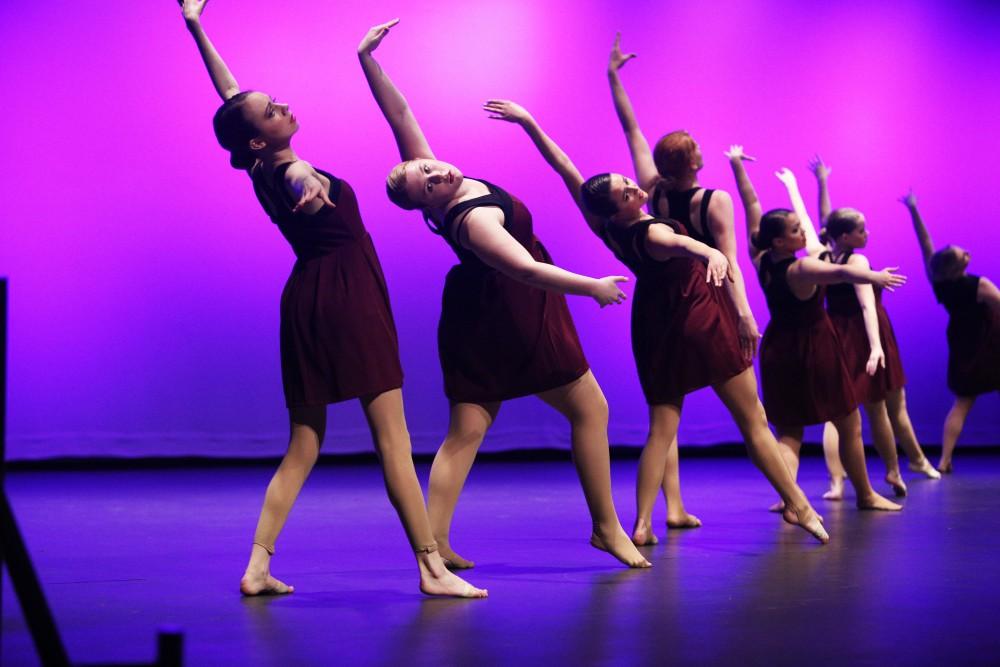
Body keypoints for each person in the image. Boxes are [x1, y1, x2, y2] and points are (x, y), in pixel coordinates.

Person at [179, 1, 485, 598]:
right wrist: (311, 186)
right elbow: (300, 178)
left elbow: (231, 94)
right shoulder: (289, 172)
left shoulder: (258, 165)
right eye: (272, 112)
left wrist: (196, 26)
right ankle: (430, 568)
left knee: (304, 443)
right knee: (393, 440)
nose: (284, 108)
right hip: (347, 299)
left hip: (307, 300)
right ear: (256, 138)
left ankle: (257, 567)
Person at [358, 19, 650, 568]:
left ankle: (438, 543)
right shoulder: (473, 222)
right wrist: (591, 287)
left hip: (481, 312)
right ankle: (607, 529)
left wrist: (367, 60)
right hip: (511, 311)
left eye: (428, 166)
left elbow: (400, 116)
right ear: (428, 203)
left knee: (469, 429)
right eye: (429, 182)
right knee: (588, 409)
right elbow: (528, 272)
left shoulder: (440, 181)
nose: (437, 170)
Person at [484, 98, 829, 544]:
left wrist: (530, 122)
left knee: (663, 425)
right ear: (618, 208)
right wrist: (717, 269)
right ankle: (799, 506)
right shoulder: (652, 230)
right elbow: (686, 246)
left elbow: (565, 167)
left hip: (654, 320)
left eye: (629, 182)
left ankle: (644, 524)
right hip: (698, 313)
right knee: (753, 419)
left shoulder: (604, 223)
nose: (634, 187)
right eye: (626, 193)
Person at [603, 34, 763, 527]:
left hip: (660, 303)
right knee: (747, 413)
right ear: (696, 161)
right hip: (704, 302)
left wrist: (612, 77)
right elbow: (728, 261)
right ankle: (792, 501)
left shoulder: (652, 191)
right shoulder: (713, 200)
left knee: (665, 414)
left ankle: (656, 516)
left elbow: (631, 129)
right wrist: (744, 315)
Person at [728, 158, 904, 511]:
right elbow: (839, 273)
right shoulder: (802, 267)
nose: (804, 232)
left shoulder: (760, 255)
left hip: (780, 347)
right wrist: (875, 276)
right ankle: (867, 496)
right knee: (848, 424)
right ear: (780, 240)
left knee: (790, 433)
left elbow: (751, 204)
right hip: (814, 347)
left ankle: (788, 497)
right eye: (796, 230)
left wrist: (737, 167)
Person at [805, 157, 939, 500]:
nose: (868, 234)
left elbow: (824, 220)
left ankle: (857, 476)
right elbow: (867, 304)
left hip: (840, 335)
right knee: (883, 407)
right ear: (847, 236)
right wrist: (876, 346)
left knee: (854, 410)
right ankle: (896, 468)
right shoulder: (857, 260)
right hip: (866, 334)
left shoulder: (822, 254)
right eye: (862, 229)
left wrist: (820, 183)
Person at [901, 190, 1000, 472]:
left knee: (962, 402)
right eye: (963, 254)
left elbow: (925, 244)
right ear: (959, 266)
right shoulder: (979, 285)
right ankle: (944, 460)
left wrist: (913, 210)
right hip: (991, 342)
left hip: (962, 341)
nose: (968, 253)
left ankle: (944, 460)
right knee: (964, 403)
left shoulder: (938, 281)